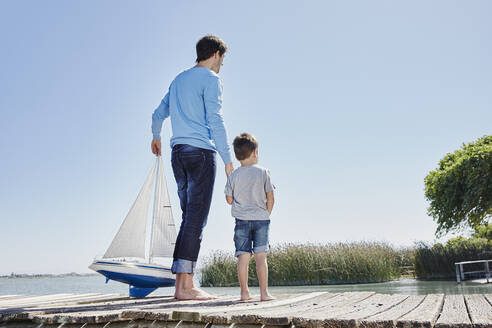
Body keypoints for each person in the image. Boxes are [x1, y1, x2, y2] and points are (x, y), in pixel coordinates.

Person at [151, 35, 234, 300]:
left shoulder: (178, 80)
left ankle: (183, 284)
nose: (222, 64)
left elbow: (157, 114)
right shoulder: (211, 79)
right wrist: (228, 160)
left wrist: (156, 136)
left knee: (189, 219)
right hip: (200, 153)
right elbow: (215, 120)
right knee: (196, 220)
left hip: (178, 154)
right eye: (223, 59)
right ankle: (184, 288)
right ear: (217, 54)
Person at [224, 133, 275, 301]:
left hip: (241, 221)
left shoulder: (233, 175)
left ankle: (244, 293)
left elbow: (229, 200)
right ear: (255, 152)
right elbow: (271, 197)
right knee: (261, 257)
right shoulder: (264, 172)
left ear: (238, 156)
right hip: (261, 219)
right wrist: (266, 213)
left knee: (243, 258)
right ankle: (264, 293)